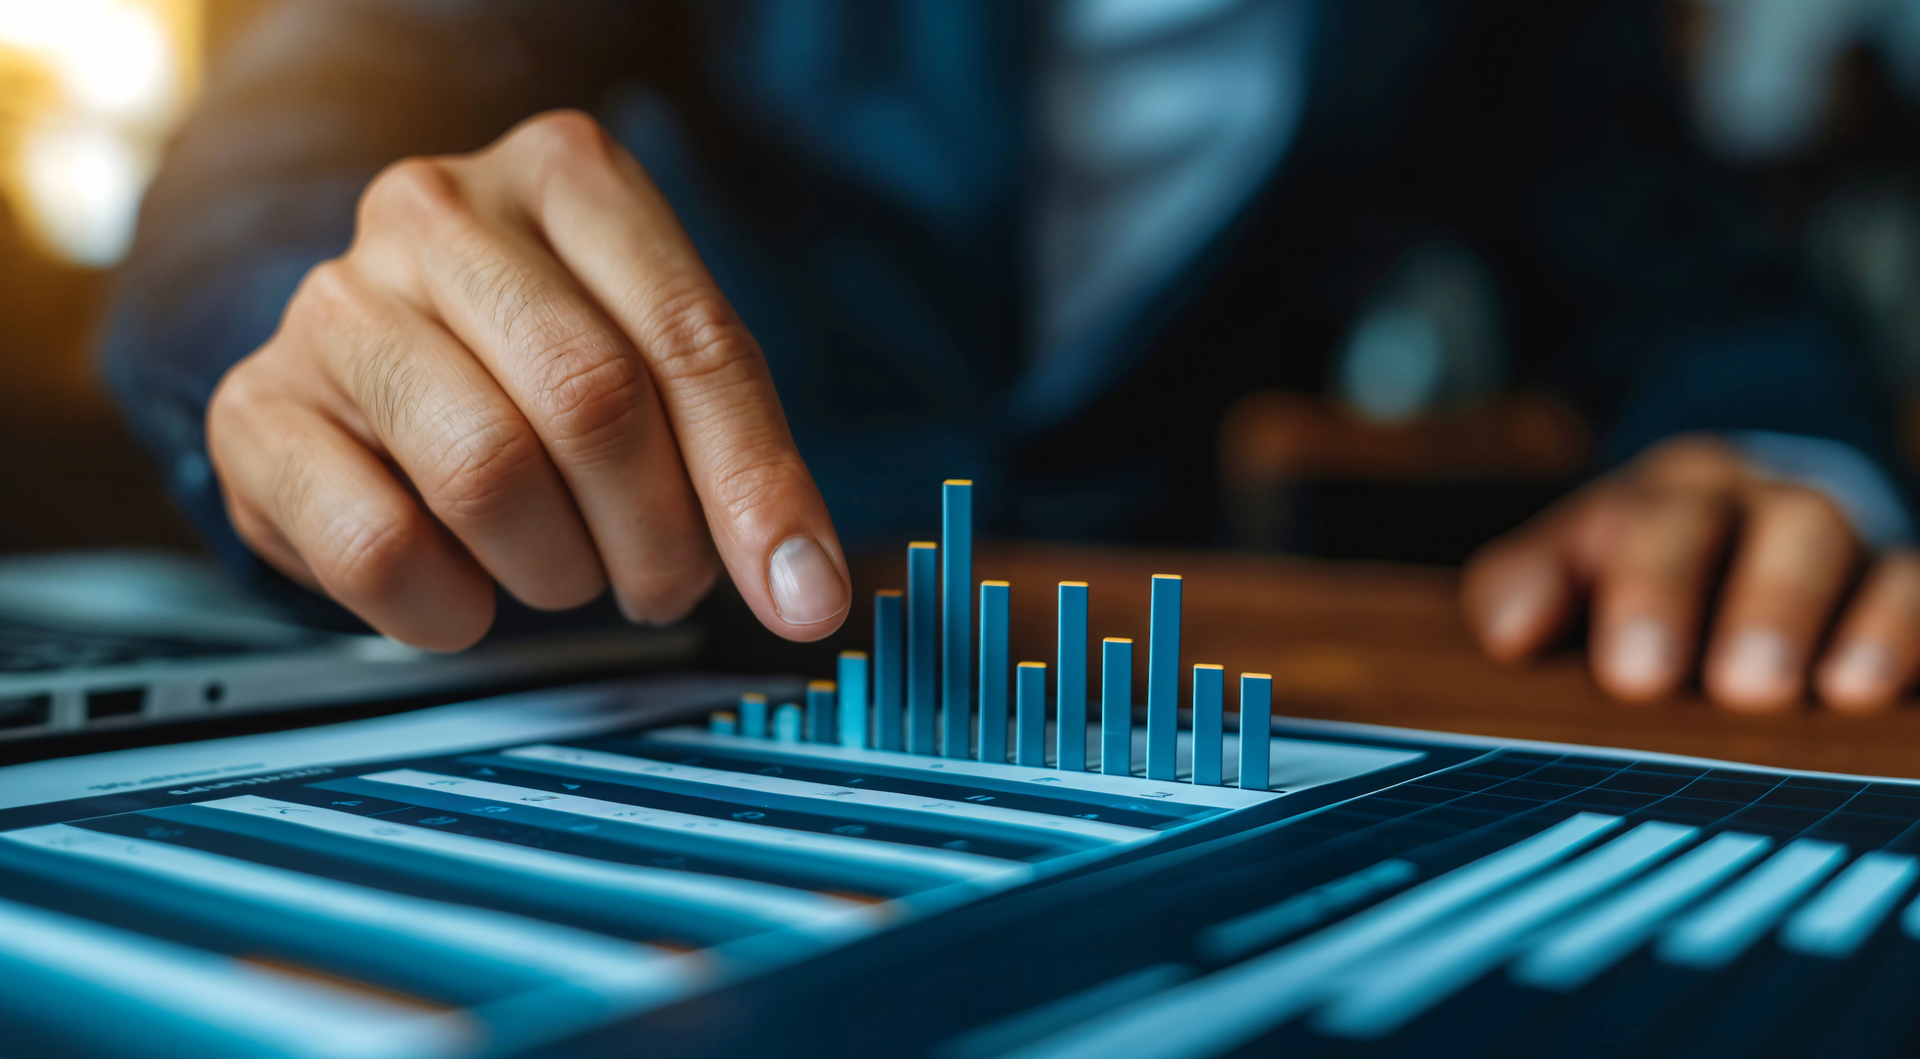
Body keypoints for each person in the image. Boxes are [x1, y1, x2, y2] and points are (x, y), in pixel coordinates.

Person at [102, 0, 1916, 713]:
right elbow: (280, 155)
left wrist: (1775, 455)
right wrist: (325, 335)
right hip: (636, 656)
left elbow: (1684, 286)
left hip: (1140, 696)